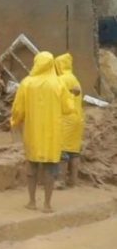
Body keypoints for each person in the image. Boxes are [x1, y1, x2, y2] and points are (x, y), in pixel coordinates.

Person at [10, 51, 74, 213]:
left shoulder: (27, 83)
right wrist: (72, 97)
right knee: (50, 169)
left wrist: (15, 122)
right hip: (52, 134)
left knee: (31, 165)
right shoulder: (59, 84)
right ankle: (47, 204)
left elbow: (18, 109)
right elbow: (68, 109)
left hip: (33, 133)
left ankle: (32, 201)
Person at [55, 53, 84, 188]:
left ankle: (60, 180)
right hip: (78, 118)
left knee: (62, 149)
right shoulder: (75, 79)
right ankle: (73, 180)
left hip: (66, 119)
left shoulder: (62, 79)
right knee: (74, 150)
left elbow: (57, 98)